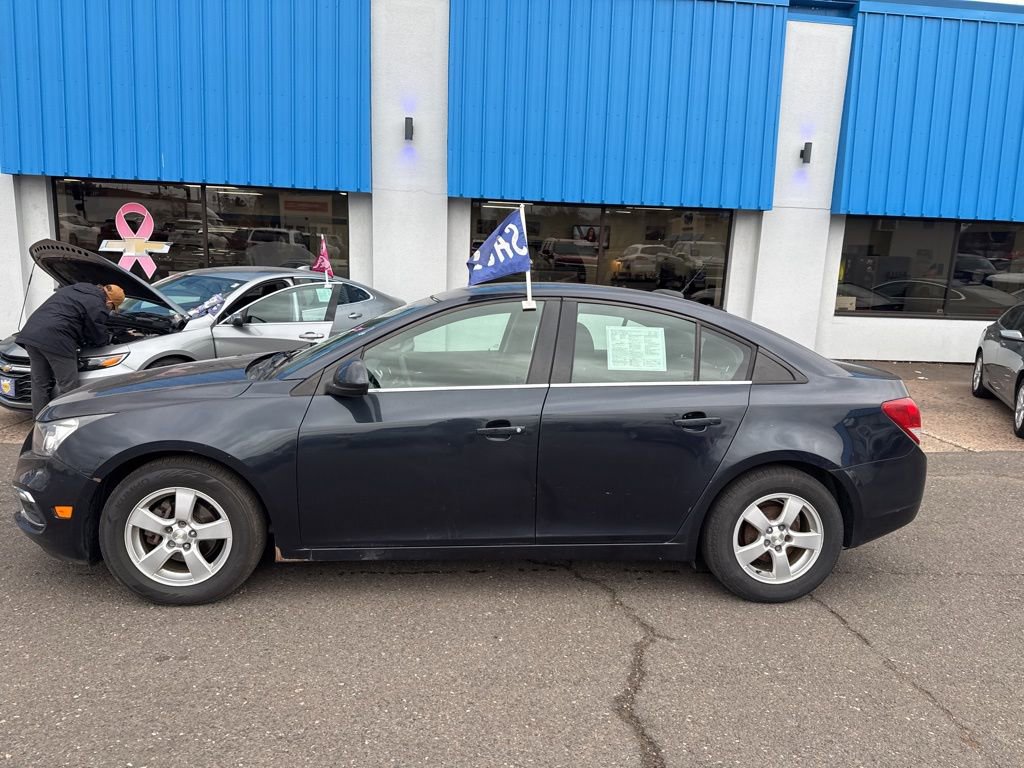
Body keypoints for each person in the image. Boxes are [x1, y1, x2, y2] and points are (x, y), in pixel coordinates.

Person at [16, 283, 126, 417]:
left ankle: (39, 421)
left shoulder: (77, 288)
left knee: (40, 384)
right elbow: (97, 335)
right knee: (68, 387)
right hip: (56, 339)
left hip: (32, 334)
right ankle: (63, 420)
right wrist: (109, 337)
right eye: (112, 307)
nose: (110, 310)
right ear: (109, 301)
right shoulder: (97, 303)